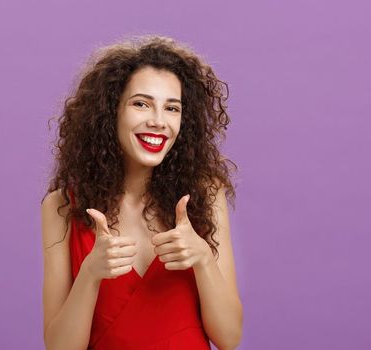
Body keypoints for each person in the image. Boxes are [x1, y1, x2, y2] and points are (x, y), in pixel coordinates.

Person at [40, 35, 242, 350]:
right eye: (141, 103)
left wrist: (202, 258)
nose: (159, 121)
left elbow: (229, 338)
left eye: (172, 108)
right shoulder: (62, 206)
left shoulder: (205, 194)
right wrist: (91, 274)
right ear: (111, 111)